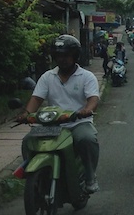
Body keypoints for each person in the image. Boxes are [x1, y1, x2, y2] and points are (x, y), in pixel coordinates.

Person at [21, 34, 101, 192]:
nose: (62, 59)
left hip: (77, 122)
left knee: (87, 139)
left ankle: (90, 176)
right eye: (59, 55)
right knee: (28, 141)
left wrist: (87, 110)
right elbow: (36, 99)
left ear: (75, 56)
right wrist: (26, 113)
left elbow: (93, 98)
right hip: (53, 124)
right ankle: (35, 174)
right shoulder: (47, 77)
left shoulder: (87, 76)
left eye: (66, 55)